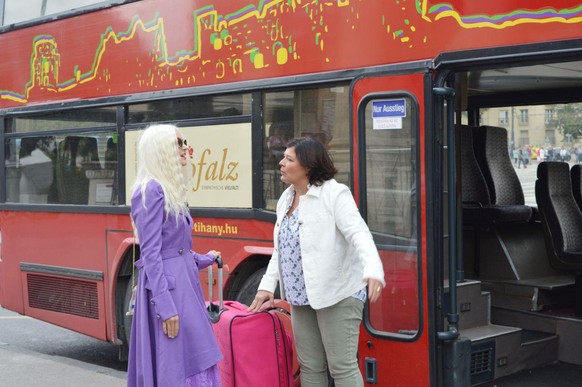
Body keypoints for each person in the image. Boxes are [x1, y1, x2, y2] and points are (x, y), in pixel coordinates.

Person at [247, 137, 385, 387]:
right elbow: (281, 249)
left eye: (288, 159)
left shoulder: (334, 194)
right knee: (310, 367)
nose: (280, 163)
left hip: (338, 294)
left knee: (341, 368)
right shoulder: (286, 199)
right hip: (301, 297)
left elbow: (359, 234)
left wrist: (373, 269)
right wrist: (267, 286)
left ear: (308, 166)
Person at [127, 124, 222, 387]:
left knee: (193, 357)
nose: (184, 148)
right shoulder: (151, 190)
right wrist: (166, 307)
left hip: (183, 287)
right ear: (161, 150)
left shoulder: (167, 190)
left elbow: (176, 249)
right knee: (180, 363)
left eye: (184, 142)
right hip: (169, 294)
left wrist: (205, 259)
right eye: (178, 143)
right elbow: (151, 253)